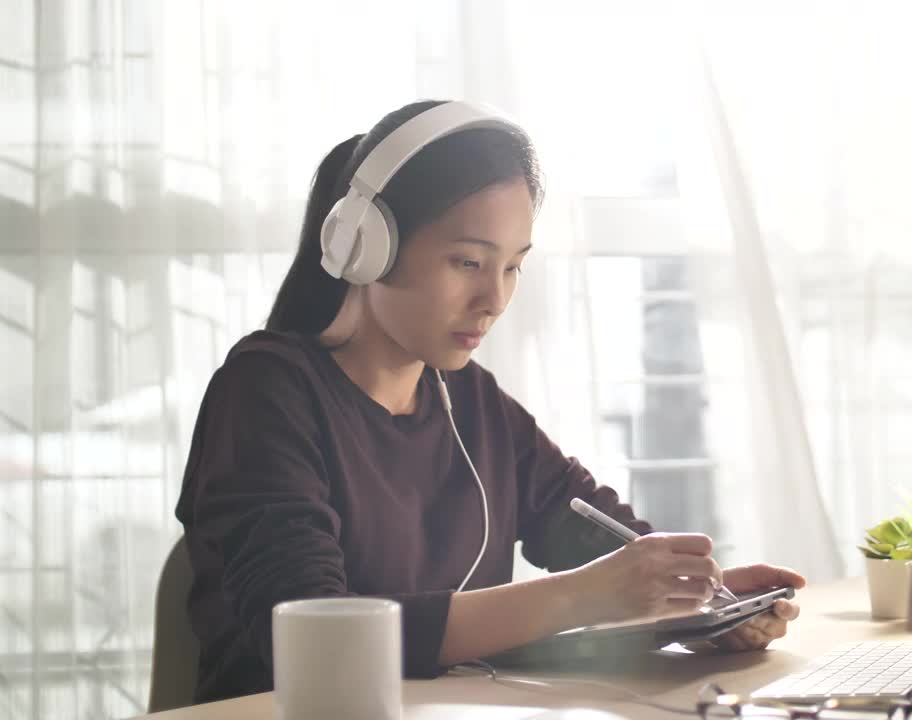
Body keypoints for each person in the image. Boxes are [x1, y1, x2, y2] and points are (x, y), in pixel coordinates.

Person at [175, 100, 806, 704]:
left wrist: (700, 597)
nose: (495, 299)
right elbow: (316, 637)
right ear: (366, 247)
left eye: (512, 268)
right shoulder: (265, 391)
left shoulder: (469, 399)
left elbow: (593, 531)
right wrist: (584, 596)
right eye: (468, 262)